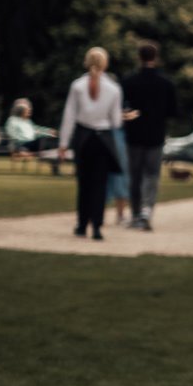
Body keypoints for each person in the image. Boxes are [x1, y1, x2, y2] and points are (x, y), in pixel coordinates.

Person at [59, 46, 124, 240]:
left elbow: (69, 116)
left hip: (83, 138)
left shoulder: (77, 86)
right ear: (105, 64)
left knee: (84, 183)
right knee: (100, 184)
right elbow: (116, 122)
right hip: (103, 139)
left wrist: (63, 144)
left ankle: (81, 224)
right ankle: (97, 226)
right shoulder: (113, 88)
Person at [120, 40, 178, 230]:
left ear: (139, 57)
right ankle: (147, 211)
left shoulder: (129, 81)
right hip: (156, 136)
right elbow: (172, 111)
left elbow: (122, 109)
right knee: (152, 175)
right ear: (156, 58)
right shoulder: (166, 83)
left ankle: (136, 213)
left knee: (134, 176)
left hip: (133, 136)